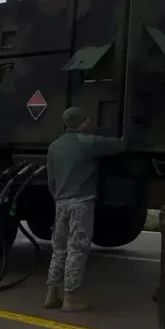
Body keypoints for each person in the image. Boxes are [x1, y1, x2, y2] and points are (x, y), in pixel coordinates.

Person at [43, 106, 124, 311]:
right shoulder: (87, 142)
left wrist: (59, 198)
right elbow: (120, 145)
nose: (89, 122)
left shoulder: (54, 146)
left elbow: (51, 181)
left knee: (58, 249)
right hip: (81, 203)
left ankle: (51, 295)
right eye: (86, 119)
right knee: (77, 249)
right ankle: (70, 299)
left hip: (60, 202)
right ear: (81, 121)